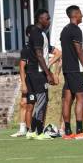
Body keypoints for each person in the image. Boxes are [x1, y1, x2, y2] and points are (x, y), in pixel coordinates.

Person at [25, 9, 60, 140]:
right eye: (47, 18)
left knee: (41, 102)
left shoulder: (41, 33)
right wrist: (48, 73)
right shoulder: (37, 34)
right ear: (40, 19)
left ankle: (34, 131)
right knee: (41, 102)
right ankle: (36, 131)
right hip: (38, 73)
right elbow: (39, 55)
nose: (49, 21)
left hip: (36, 72)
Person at [60, 5, 83, 139]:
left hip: (67, 70)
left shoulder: (64, 30)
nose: (82, 15)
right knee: (81, 99)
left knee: (67, 100)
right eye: (81, 13)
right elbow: (79, 51)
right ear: (75, 14)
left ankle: (67, 131)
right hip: (76, 70)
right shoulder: (76, 30)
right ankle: (79, 131)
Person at [11, 25, 34, 137]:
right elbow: (21, 67)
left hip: (38, 79)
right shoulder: (26, 50)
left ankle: (34, 128)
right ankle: (22, 129)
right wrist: (23, 83)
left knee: (33, 104)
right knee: (23, 103)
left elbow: (58, 53)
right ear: (29, 35)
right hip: (28, 79)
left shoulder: (40, 46)